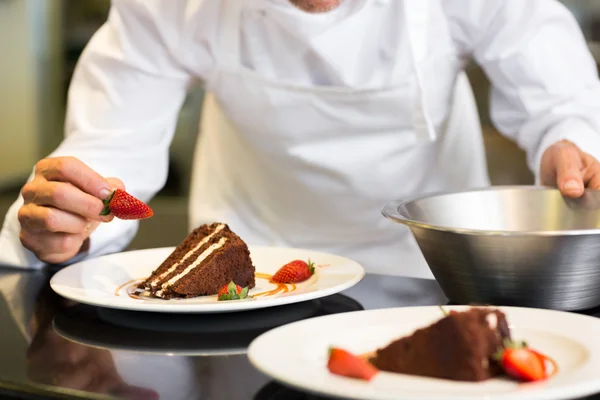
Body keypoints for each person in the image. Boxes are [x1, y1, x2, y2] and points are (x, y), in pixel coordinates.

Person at [2, 0, 600, 277]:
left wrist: (571, 141)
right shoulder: (166, 5)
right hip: (246, 280)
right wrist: (68, 220)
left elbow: (558, 93)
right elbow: (110, 153)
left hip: (433, 273)